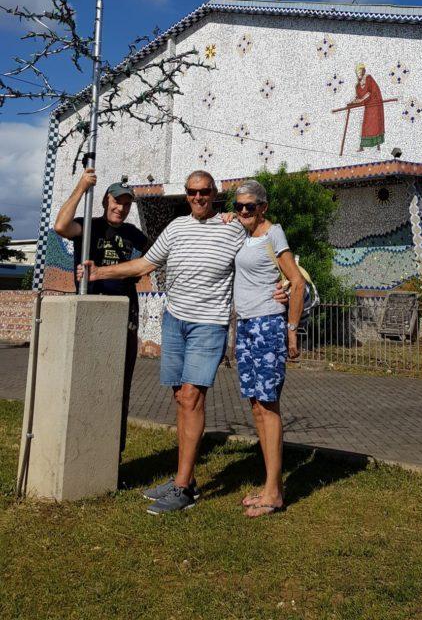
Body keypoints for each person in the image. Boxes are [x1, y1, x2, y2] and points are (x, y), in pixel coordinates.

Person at [78, 170, 287, 514]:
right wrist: (99, 272)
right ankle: (184, 477)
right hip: (175, 322)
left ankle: (183, 489)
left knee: (192, 397)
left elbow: (270, 250)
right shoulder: (176, 228)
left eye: (205, 192)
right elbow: (144, 263)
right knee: (179, 398)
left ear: (215, 194)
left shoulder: (234, 226)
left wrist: (289, 287)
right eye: (192, 192)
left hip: (209, 324)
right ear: (187, 195)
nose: (198, 197)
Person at [54, 168, 149, 455]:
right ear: (106, 200)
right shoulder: (89, 227)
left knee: (119, 387)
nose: (121, 207)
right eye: (117, 201)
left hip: (125, 316)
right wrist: (81, 187)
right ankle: (82, 449)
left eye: (127, 203)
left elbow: (154, 259)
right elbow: (60, 226)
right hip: (91, 314)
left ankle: (112, 454)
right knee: (86, 382)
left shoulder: (134, 235)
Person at [232, 179, 305, 517]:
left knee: (269, 405)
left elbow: (297, 280)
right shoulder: (245, 234)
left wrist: (291, 330)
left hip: (267, 326)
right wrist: (225, 217)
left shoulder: (273, 233)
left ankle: (275, 492)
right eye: (238, 205)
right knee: (256, 407)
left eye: (249, 206)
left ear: (263, 207)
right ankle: (268, 484)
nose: (243, 211)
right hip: (246, 326)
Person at [351, 63, 385, 152]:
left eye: (359, 71)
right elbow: (358, 96)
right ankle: (362, 146)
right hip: (368, 106)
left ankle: (378, 145)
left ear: (363, 71)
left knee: (375, 125)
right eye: (356, 72)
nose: (358, 74)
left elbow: (370, 92)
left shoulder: (368, 78)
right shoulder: (358, 85)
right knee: (366, 125)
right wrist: (354, 101)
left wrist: (361, 99)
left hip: (375, 105)